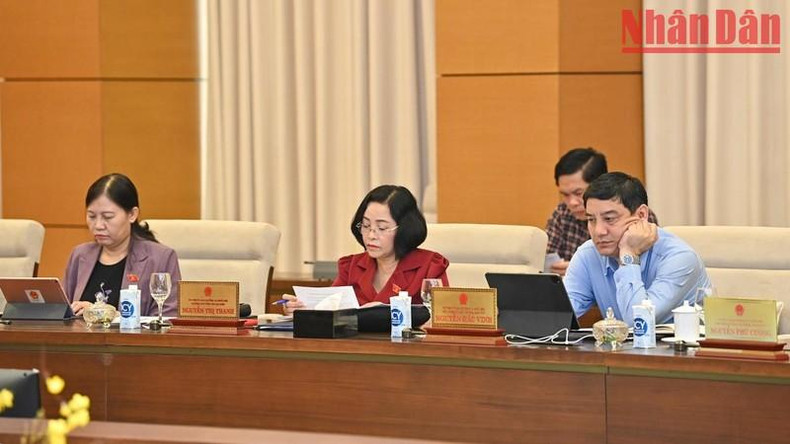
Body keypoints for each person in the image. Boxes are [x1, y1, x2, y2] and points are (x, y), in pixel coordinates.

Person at [563, 172, 710, 326]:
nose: (599, 231)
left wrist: (628, 255)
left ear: (641, 215)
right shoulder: (588, 255)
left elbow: (638, 323)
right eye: (591, 220)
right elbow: (558, 313)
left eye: (609, 219)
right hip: (623, 349)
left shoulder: (680, 258)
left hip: (686, 349)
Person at [284, 185, 449, 313]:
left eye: (382, 228)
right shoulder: (351, 267)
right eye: (366, 225)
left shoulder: (430, 267)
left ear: (405, 229)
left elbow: (441, 317)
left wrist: (387, 312)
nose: (371, 235)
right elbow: (329, 308)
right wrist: (301, 310)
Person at [64, 173, 181, 317]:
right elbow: (64, 311)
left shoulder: (161, 258)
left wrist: (108, 315)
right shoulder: (80, 255)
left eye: (108, 217)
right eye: (92, 216)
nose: (98, 225)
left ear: (132, 214)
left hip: (132, 340)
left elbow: (166, 321)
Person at [546, 147, 658, 275]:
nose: (572, 202)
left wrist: (579, 268)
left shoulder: (635, 214)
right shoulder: (562, 213)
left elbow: (648, 268)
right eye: (565, 195)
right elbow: (546, 259)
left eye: (578, 193)